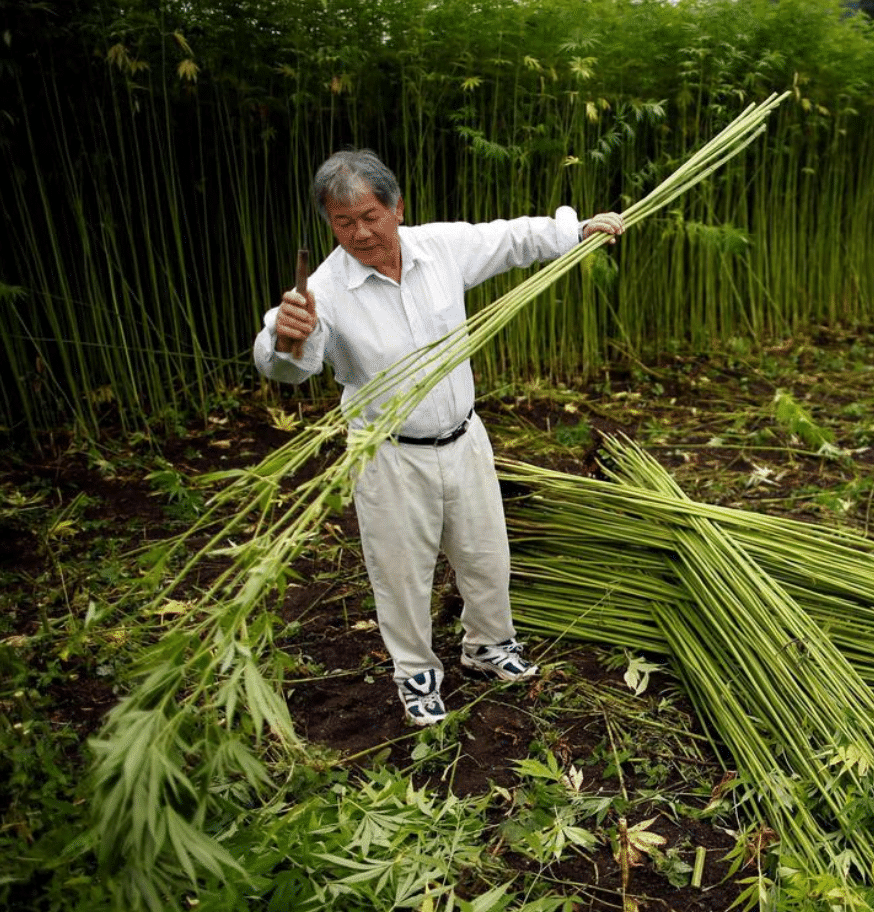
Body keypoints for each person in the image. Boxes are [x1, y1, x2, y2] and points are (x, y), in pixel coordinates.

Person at [254, 149, 624, 725]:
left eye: (370, 215)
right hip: (390, 454)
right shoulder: (324, 290)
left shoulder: (438, 248)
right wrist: (283, 337)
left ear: (398, 208)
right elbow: (291, 365)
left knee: (485, 556)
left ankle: (488, 647)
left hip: (464, 437)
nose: (360, 232)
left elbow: (510, 239)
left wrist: (574, 230)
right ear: (329, 223)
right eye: (343, 221)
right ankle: (416, 674)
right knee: (401, 572)